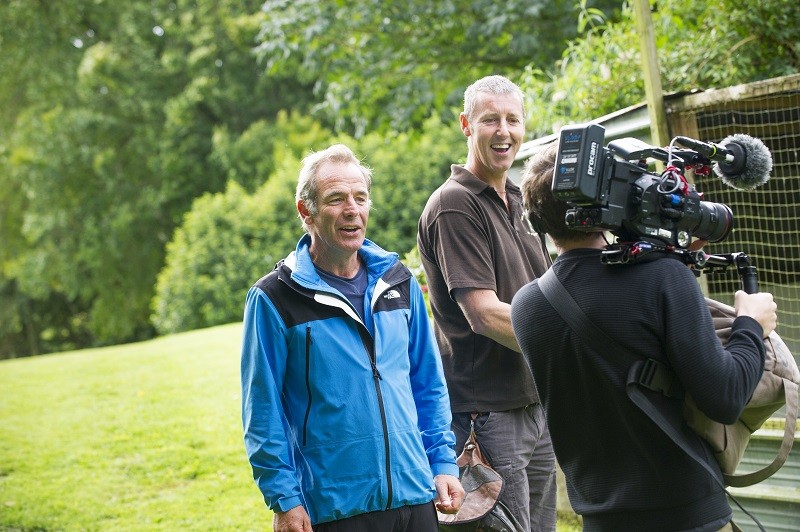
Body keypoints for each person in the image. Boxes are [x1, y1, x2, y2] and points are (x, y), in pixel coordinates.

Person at [510, 142, 778, 531]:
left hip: (601, 518)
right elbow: (726, 397)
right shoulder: (663, 278)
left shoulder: (526, 306)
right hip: (688, 515)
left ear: (537, 220)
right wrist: (751, 324)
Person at [241, 143, 464, 532]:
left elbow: (428, 384)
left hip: (415, 494)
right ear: (304, 210)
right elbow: (262, 410)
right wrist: (284, 498)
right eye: (336, 199)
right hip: (334, 507)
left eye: (361, 198)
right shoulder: (275, 298)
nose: (352, 210)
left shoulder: (400, 281)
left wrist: (443, 462)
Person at [417, 75, 557, 531]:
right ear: (465, 125)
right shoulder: (455, 204)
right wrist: (567, 347)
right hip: (489, 413)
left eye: (513, 120)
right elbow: (483, 313)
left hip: (535, 402)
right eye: (490, 119)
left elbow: (548, 293)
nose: (504, 131)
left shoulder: (517, 199)